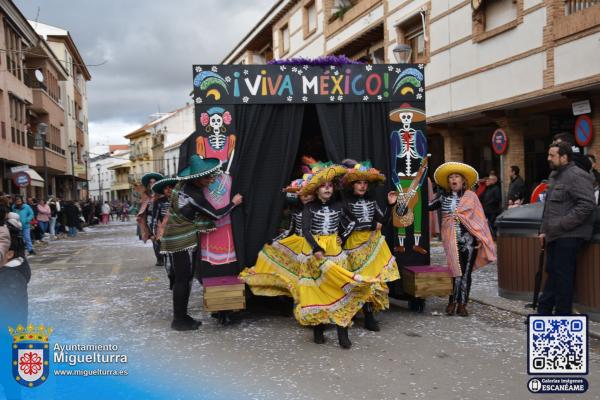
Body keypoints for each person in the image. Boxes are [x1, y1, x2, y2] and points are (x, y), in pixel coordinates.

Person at [294, 163, 377, 349]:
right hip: (314, 251)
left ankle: (342, 332)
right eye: (323, 186)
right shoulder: (310, 208)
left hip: (335, 249)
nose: (327, 189)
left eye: (330, 186)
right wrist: (315, 247)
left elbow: (353, 221)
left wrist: (342, 236)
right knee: (317, 289)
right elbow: (306, 230)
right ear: (316, 190)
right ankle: (318, 329)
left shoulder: (340, 205)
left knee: (340, 287)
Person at [160, 156, 243, 331]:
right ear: (196, 179)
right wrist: (233, 203)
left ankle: (182, 316)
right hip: (181, 239)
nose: (211, 180)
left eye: (212, 176)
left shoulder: (182, 186)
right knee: (184, 279)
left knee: (182, 278)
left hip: (174, 236)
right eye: (207, 178)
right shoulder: (194, 195)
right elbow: (216, 214)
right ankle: (179, 320)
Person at [430, 162, 496, 317]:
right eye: (451, 177)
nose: (453, 179)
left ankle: (462, 303)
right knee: (454, 271)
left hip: (468, 240)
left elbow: (478, 219)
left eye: (456, 177)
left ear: (463, 181)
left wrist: (479, 236)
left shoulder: (471, 197)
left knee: (465, 272)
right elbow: (428, 206)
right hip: (450, 239)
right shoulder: (443, 197)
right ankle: (452, 301)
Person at [340, 160, 399, 332]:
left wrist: (390, 205)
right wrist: (372, 225)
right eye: (359, 182)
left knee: (373, 280)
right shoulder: (345, 202)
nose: (362, 186)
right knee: (359, 280)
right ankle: (355, 312)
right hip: (354, 244)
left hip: (372, 244)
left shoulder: (372, 201)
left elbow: (383, 221)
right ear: (352, 185)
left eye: (365, 183)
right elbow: (349, 224)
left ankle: (369, 316)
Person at [537, 142, 596, 315]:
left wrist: (562, 224)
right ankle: (544, 313)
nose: (548, 158)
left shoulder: (577, 175)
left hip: (570, 235)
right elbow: (549, 208)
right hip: (555, 234)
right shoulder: (555, 175)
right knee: (553, 274)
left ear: (564, 157)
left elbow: (587, 205)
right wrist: (543, 230)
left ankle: (561, 317)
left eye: (552, 155)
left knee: (562, 278)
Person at [240, 177, 314, 300]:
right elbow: (290, 229)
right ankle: (297, 298)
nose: (306, 197)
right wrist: (275, 241)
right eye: (303, 194)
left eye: (309, 193)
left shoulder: (318, 209)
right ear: (298, 196)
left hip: (314, 244)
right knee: (294, 271)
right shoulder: (296, 211)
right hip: (298, 242)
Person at [150, 177, 179, 267]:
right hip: (165, 230)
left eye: (171, 187)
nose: (169, 189)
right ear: (163, 190)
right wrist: (154, 233)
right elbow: (155, 218)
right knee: (167, 252)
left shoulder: (180, 199)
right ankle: (164, 261)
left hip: (179, 229)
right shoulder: (159, 202)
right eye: (166, 188)